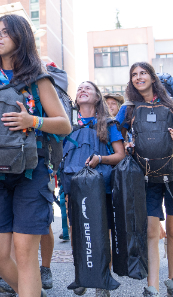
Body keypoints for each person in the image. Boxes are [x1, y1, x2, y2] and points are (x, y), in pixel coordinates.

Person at [0, 14, 71, 297]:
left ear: (21, 37)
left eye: (5, 32)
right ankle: (32, 292)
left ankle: (30, 291)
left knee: (26, 258)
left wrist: (33, 121)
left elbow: (64, 125)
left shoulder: (38, 78)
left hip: (31, 174)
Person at [115, 62, 173, 297]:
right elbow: (115, 135)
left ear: (153, 78)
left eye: (143, 73)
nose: (139, 78)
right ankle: (153, 286)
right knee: (152, 230)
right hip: (144, 177)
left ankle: (172, 280)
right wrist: (125, 143)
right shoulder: (128, 108)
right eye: (134, 75)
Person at [64, 81, 125, 297]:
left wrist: (101, 159)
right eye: (79, 88)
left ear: (97, 97)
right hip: (75, 187)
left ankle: (102, 279)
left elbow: (120, 155)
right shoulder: (67, 123)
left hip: (102, 188)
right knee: (75, 231)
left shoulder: (108, 123)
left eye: (87, 88)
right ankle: (81, 275)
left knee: (102, 232)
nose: (82, 90)